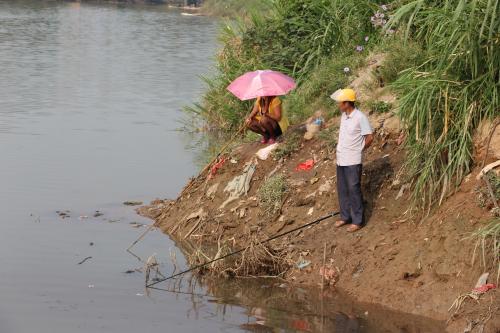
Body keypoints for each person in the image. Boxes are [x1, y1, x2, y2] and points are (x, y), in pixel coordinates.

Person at [331, 88, 373, 232]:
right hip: (341, 159)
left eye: (340, 103)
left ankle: (357, 221)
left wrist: (359, 149)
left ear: (347, 103)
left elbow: (369, 137)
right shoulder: (344, 116)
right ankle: (345, 216)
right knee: (342, 189)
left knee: (354, 189)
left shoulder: (360, 117)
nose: (339, 105)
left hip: (353, 160)